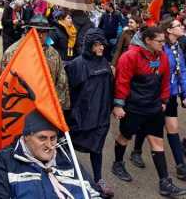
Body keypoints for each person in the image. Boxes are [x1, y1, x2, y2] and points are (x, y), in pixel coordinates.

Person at [112, 26, 186, 197]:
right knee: (125, 136)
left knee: (157, 143)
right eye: (159, 41)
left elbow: (166, 79)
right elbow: (122, 82)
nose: (163, 44)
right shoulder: (130, 56)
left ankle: (165, 182)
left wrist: (164, 101)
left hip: (154, 107)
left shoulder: (162, 56)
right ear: (148, 40)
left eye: (163, 41)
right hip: (134, 107)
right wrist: (118, 105)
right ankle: (117, 163)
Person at [0, 110, 101, 198]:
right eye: (42, 138)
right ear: (26, 137)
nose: (49, 145)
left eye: (53, 138)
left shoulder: (68, 159)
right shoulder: (4, 162)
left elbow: (93, 193)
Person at [129, 18, 186, 179]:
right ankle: (136, 151)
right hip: (155, 96)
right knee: (147, 126)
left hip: (171, 95)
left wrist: (184, 94)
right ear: (169, 30)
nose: (182, 27)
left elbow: (182, 70)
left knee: (172, 128)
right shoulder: (159, 49)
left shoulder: (177, 48)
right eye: (178, 26)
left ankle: (181, 166)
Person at [65, 28, 114, 198]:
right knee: (68, 146)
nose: (102, 48)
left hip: (101, 115)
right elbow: (69, 91)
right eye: (98, 45)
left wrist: (113, 106)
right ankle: (69, 175)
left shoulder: (105, 63)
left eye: (102, 45)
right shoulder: (77, 64)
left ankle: (98, 179)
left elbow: (111, 86)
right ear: (90, 45)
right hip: (81, 116)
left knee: (97, 148)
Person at [2, 15, 70, 112]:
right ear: (28, 31)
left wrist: (59, 106)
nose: (41, 35)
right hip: (21, 107)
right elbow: (4, 81)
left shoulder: (53, 54)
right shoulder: (13, 52)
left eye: (44, 32)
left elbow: (61, 80)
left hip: (46, 107)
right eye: (37, 31)